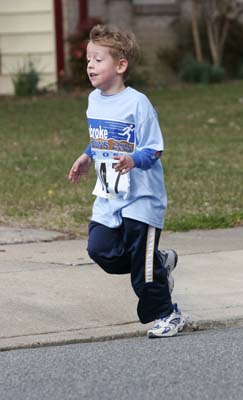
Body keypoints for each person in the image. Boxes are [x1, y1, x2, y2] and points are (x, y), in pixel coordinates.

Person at [68, 24, 185, 338]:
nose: (90, 65)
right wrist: (86, 155)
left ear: (120, 66)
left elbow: (154, 148)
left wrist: (134, 160)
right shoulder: (94, 100)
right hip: (109, 195)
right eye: (88, 59)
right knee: (100, 250)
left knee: (142, 272)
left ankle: (167, 314)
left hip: (141, 198)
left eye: (98, 60)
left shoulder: (138, 103)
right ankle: (159, 261)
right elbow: (104, 138)